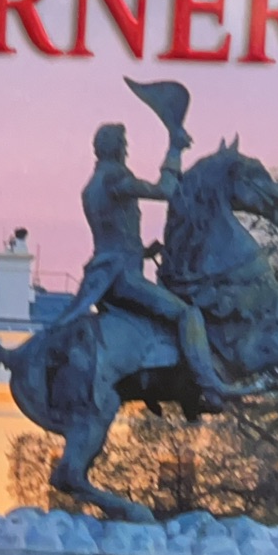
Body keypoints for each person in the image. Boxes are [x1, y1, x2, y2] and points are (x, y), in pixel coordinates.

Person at [65, 121, 235, 406]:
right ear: (116, 148)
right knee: (188, 314)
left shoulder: (91, 187)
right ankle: (210, 385)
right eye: (124, 145)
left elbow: (111, 238)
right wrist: (175, 150)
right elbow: (165, 190)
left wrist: (143, 252)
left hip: (105, 274)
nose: (127, 150)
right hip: (123, 279)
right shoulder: (114, 178)